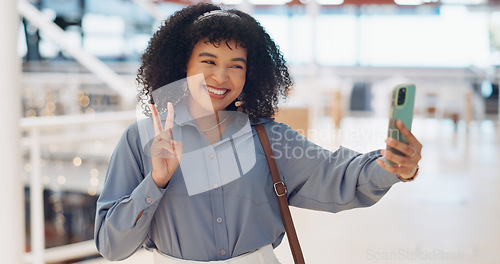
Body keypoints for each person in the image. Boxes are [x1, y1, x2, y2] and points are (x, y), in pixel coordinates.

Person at [94, 3, 422, 263]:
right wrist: (155, 182)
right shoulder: (140, 141)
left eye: (236, 65)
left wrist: (391, 165)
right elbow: (111, 245)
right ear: (184, 65)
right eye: (208, 61)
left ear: (250, 73)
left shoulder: (269, 138)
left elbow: (335, 174)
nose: (221, 77)